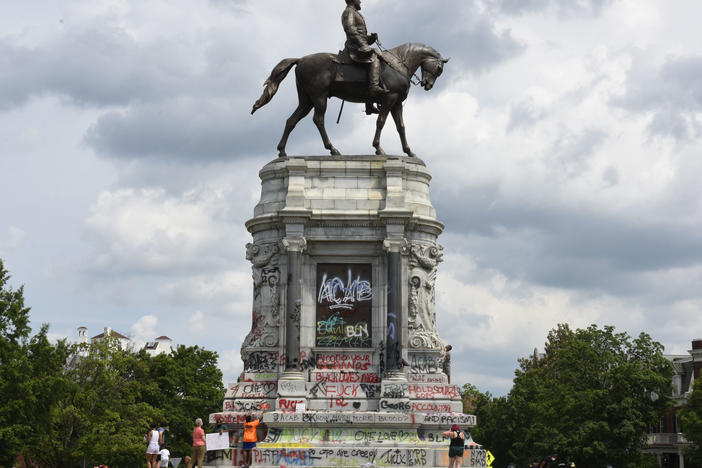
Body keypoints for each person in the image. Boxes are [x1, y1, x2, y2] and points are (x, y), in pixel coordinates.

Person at [341, 0, 387, 115]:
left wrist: (370, 38)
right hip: (354, 48)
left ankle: (369, 104)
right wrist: (363, 44)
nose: (360, 1)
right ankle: (374, 87)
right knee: (374, 58)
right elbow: (350, 30)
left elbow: (360, 34)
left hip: (359, 44)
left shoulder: (355, 12)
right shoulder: (348, 12)